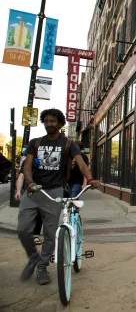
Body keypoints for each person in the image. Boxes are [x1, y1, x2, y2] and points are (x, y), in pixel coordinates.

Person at [16, 108, 100, 286]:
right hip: (33, 191)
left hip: (54, 192)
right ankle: (33, 257)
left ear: (60, 123)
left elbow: (81, 163)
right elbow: (27, 166)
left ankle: (42, 265)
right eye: (46, 121)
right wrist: (29, 183)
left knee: (49, 233)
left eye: (52, 121)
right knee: (23, 229)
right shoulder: (35, 143)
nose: (49, 124)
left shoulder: (69, 144)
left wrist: (90, 178)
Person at [15, 153, 43, 244]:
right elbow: (21, 177)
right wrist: (18, 191)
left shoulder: (45, 161)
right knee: (26, 213)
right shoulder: (27, 162)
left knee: (39, 214)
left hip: (43, 191)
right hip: (30, 191)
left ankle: (35, 234)